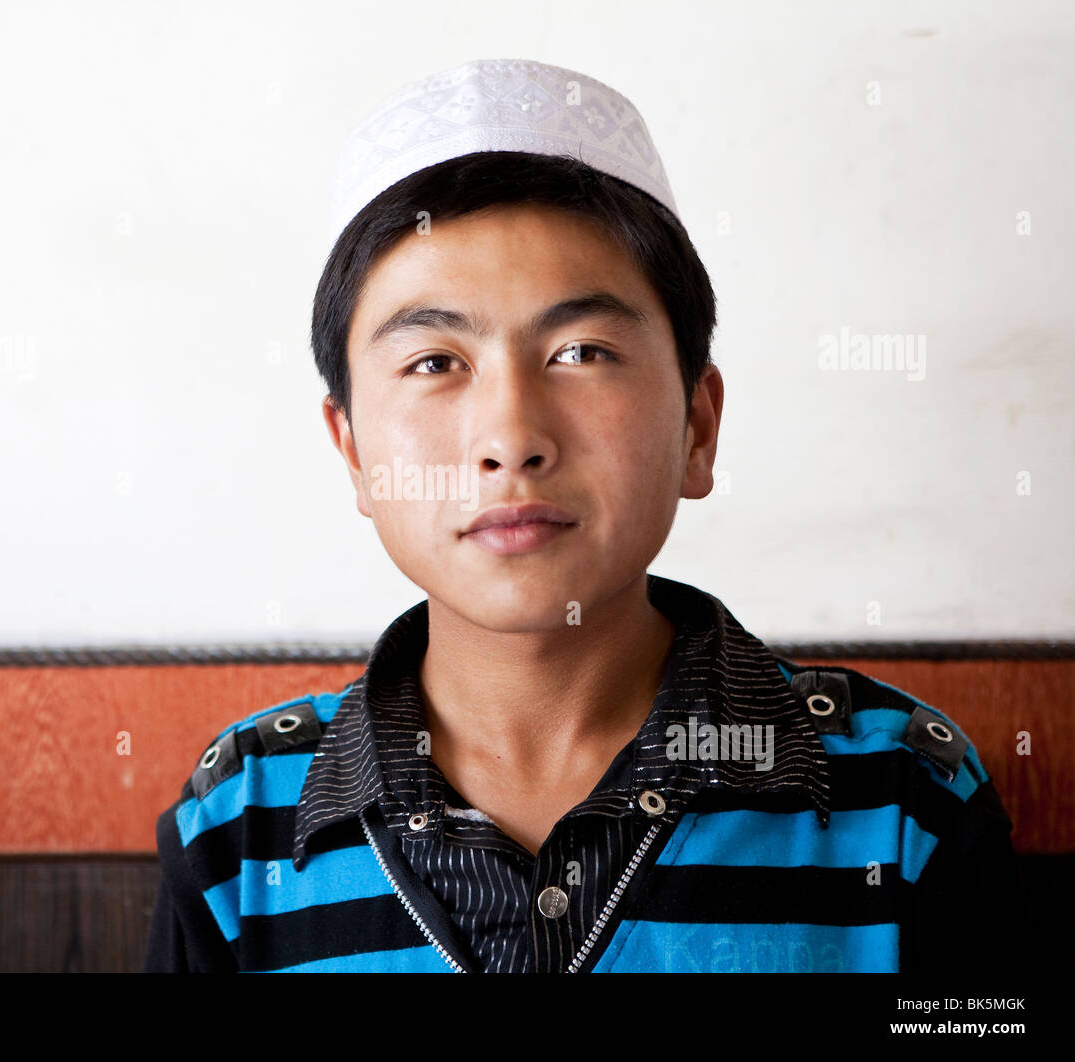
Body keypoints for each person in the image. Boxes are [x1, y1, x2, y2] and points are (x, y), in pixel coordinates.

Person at [142, 57, 1022, 973]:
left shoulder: (903, 803)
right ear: (355, 451)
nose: (511, 437)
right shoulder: (239, 835)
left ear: (697, 425)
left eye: (581, 350)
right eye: (435, 362)